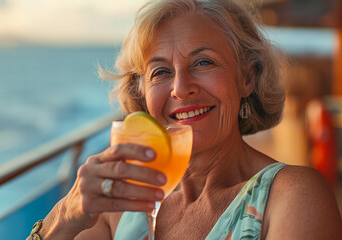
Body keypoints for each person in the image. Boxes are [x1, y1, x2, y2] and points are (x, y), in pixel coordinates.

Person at [28, 0, 342, 239]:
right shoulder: (120, 205)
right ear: (143, 94)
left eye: (204, 62)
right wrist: (68, 212)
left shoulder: (292, 195)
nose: (181, 88)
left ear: (247, 77)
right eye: (161, 72)